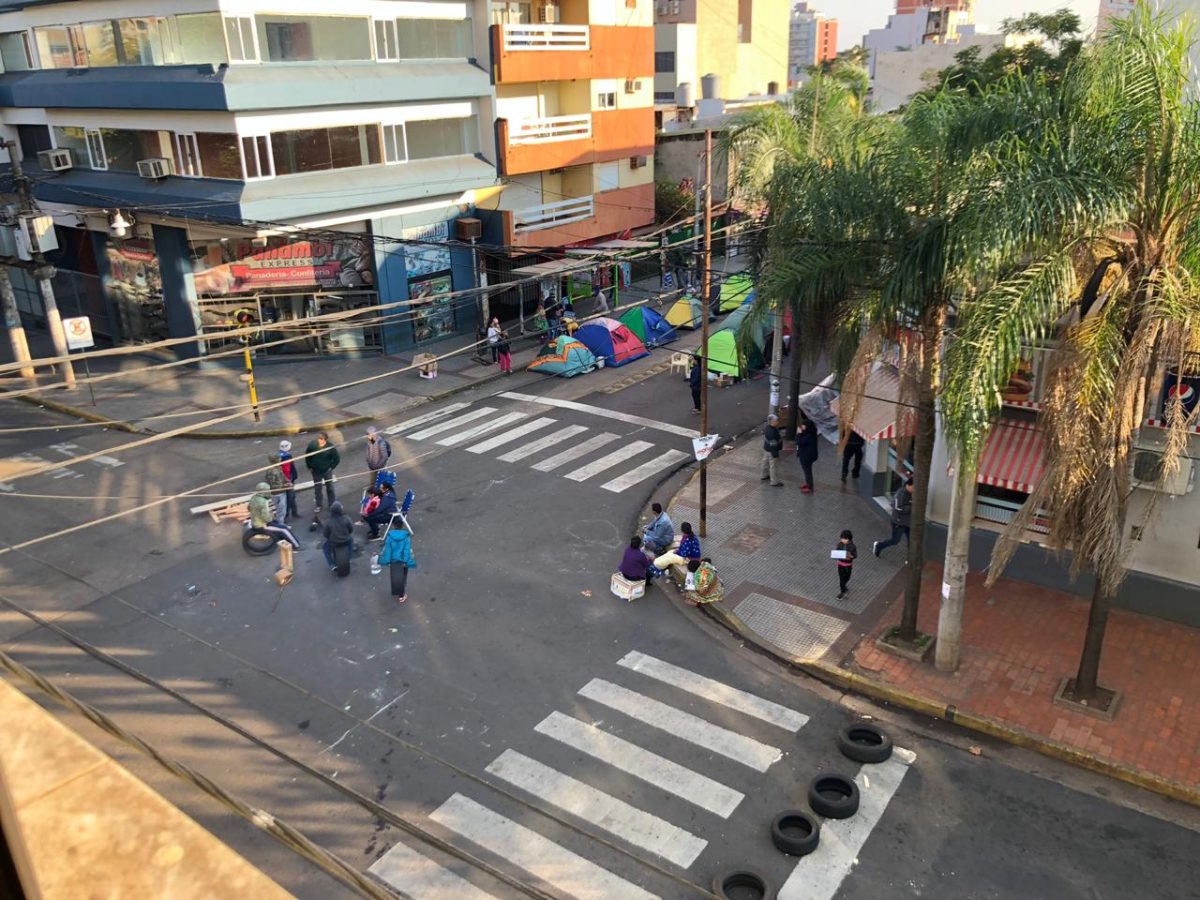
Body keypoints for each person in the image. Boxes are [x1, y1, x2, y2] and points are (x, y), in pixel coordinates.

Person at [247, 482, 300, 548]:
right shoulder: (263, 502)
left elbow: (249, 508)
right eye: (268, 490)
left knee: (278, 524)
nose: (269, 492)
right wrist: (272, 518)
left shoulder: (253, 498)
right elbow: (266, 518)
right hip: (262, 525)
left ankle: (282, 538)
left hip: (255, 523)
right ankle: (296, 546)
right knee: (284, 529)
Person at [874, 478, 914, 558]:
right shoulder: (900, 494)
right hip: (898, 523)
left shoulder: (912, 493)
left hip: (908, 522)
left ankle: (911, 558)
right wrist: (912, 507)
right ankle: (879, 545)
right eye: (913, 487)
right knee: (895, 540)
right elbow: (898, 507)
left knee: (911, 541)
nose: (915, 489)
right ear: (908, 485)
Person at [379, 523, 417, 603]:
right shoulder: (406, 537)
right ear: (402, 526)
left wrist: (386, 561)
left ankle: (398, 591)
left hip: (393, 560)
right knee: (403, 576)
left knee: (395, 577)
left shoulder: (390, 537)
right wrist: (407, 561)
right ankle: (402, 595)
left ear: (394, 526)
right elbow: (407, 550)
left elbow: (388, 550)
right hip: (402, 561)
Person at [304, 431, 340, 513]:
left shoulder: (330, 447)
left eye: (321, 439)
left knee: (330, 488)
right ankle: (318, 505)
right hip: (316, 472)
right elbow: (307, 456)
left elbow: (337, 459)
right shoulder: (312, 445)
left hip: (327, 471)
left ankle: (332, 504)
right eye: (319, 438)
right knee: (317, 489)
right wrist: (309, 466)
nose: (319, 440)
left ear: (325, 440)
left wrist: (331, 467)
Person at [322, 501, 356, 571]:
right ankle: (349, 558)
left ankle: (332, 564)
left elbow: (325, 534)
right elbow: (351, 529)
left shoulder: (328, 521)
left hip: (333, 542)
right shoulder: (347, 518)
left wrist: (330, 538)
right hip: (346, 540)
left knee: (325, 548)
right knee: (351, 543)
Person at [795, 411, 819, 494]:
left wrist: (798, 434)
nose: (801, 426)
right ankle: (808, 483)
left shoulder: (808, 436)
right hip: (807, 455)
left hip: (807, 456)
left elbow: (800, 442)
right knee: (806, 471)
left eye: (803, 425)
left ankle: (810, 487)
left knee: (807, 471)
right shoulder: (809, 433)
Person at [278, 440, 299, 520]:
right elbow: (288, 470)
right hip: (288, 480)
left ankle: (293, 512)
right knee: (289, 497)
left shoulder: (279, 455)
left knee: (291, 497)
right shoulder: (286, 457)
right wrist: (290, 480)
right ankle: (287, 514)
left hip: (287, 479)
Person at [760, 414, 784, 486]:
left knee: (765, 462)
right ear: (772, 422)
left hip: (766, 449)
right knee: (773, 466)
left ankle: (763, 475)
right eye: (776, 421)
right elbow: (773, 444)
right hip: (772, 451)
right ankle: (774, 482)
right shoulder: (772, 433)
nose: (778, 422)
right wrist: (775, 454)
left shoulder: (768, 428)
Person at [835, 529, 858, 599]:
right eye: (842, 538)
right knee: (841, 579)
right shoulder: (839, 545)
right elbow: (836, 552)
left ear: (849, 539)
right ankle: (842, 592)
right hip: (840, 565)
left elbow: (855, 555)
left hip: (848, 565)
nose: (843, 540)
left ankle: (844, 585)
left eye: (845, 539)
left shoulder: (853, 546)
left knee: (847, 577)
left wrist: (851, 556)